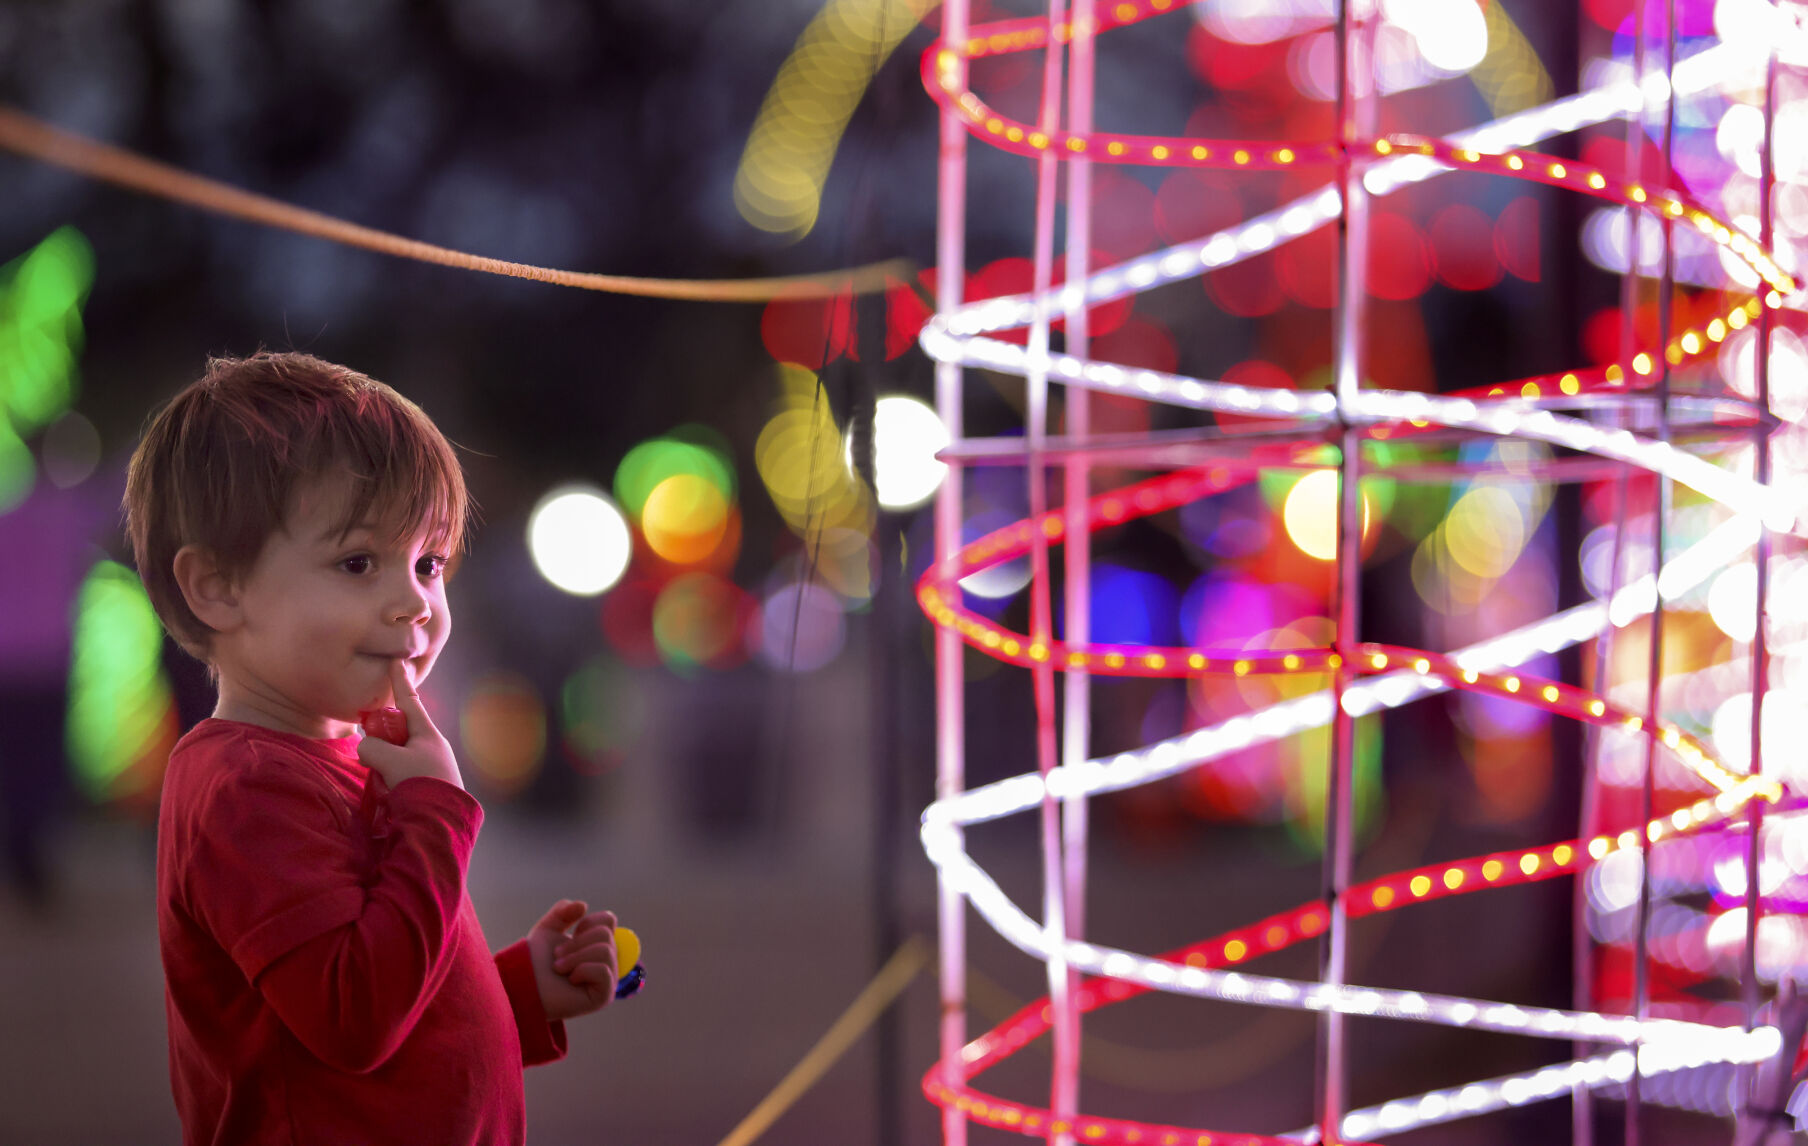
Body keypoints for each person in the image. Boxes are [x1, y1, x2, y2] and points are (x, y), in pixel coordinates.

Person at [123, 351, 619, 1144]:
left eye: (429, 563)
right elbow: (355, 1022)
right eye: (359, 563)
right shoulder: (245, 789)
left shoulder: (355, 756)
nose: (413, 603)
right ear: (218, 588)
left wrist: (523, 992)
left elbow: (399, 1023)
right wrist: (435, 816)